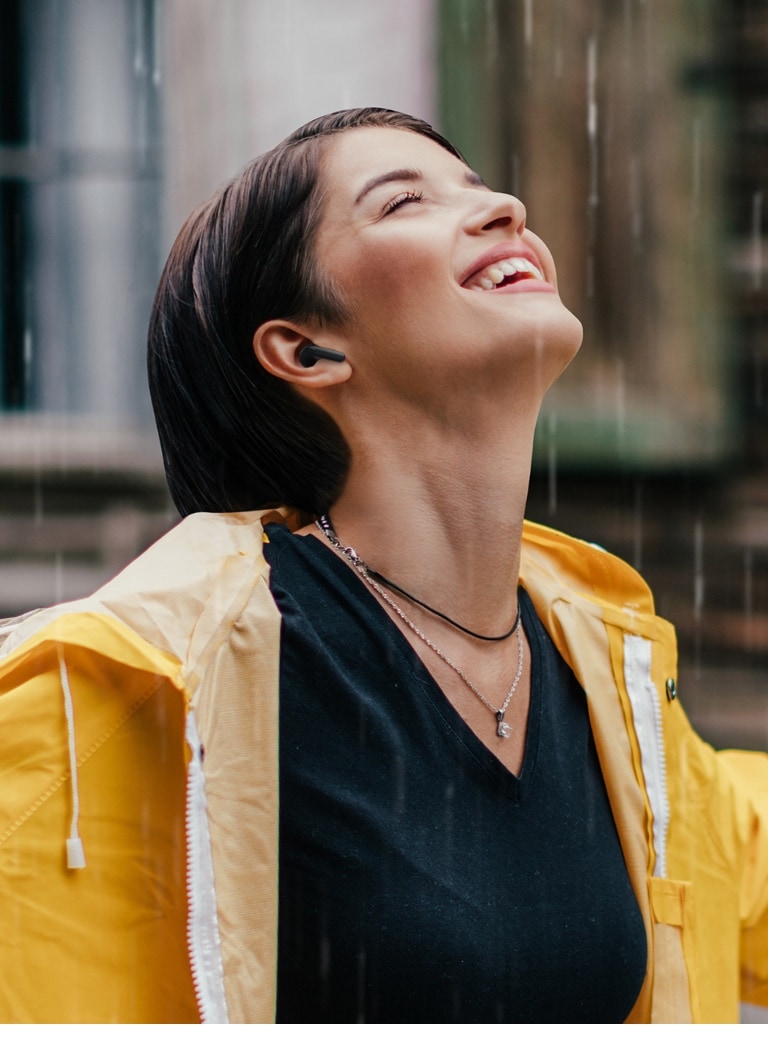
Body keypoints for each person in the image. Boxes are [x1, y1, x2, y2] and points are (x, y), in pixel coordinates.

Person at [1, 107, 767, 1023]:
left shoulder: (612, 678)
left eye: (485, 190)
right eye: (405, 201)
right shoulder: (146, 685)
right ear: (305, 349)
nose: (508, 209)